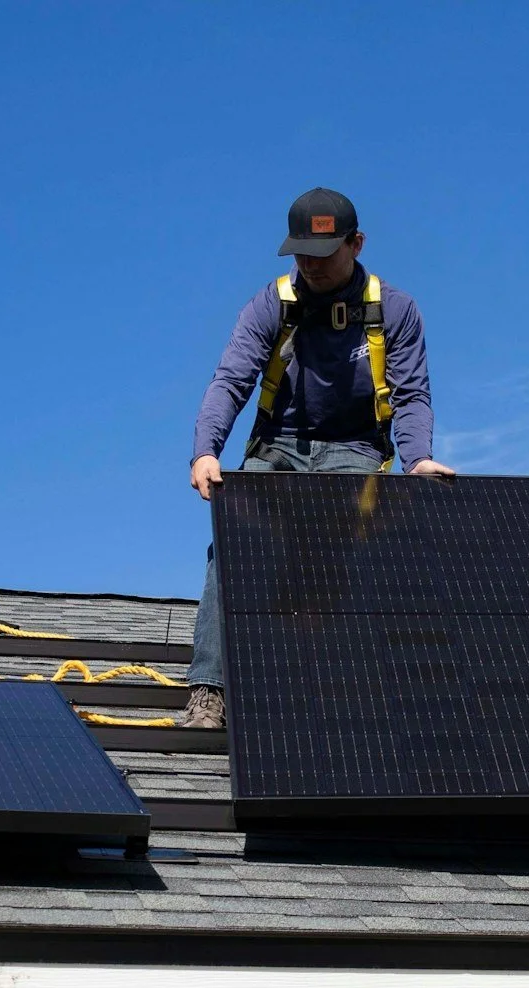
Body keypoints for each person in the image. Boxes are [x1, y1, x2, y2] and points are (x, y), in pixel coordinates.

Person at [181, 188, 453, 727]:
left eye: (323, 254)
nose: (310, 265)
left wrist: (418, 459)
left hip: (354, 449)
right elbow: (231, 380)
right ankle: (209, 691)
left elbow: (412, 395)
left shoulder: (393, 310)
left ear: (356, 244)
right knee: (231, 543)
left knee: (347, 543)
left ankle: (348, 689)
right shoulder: (271, 304)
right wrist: (206, 451)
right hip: (279, 445)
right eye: (301, 253)